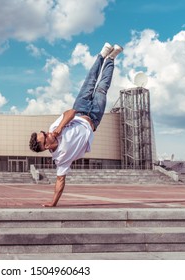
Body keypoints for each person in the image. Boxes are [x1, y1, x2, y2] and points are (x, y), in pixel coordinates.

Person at [29, 42, 123, 207]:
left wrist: (58, 129)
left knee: (90, 81)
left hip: (80, 109)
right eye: (45, 137)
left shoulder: (53, 129)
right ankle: (111, 59)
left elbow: (71, 112)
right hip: (93, 118)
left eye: (44, 132)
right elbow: (60, 182)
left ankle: (102, 55)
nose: (47, 133)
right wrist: (53, 203)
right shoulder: (61, 159)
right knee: (102, 87)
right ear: (44, 147)